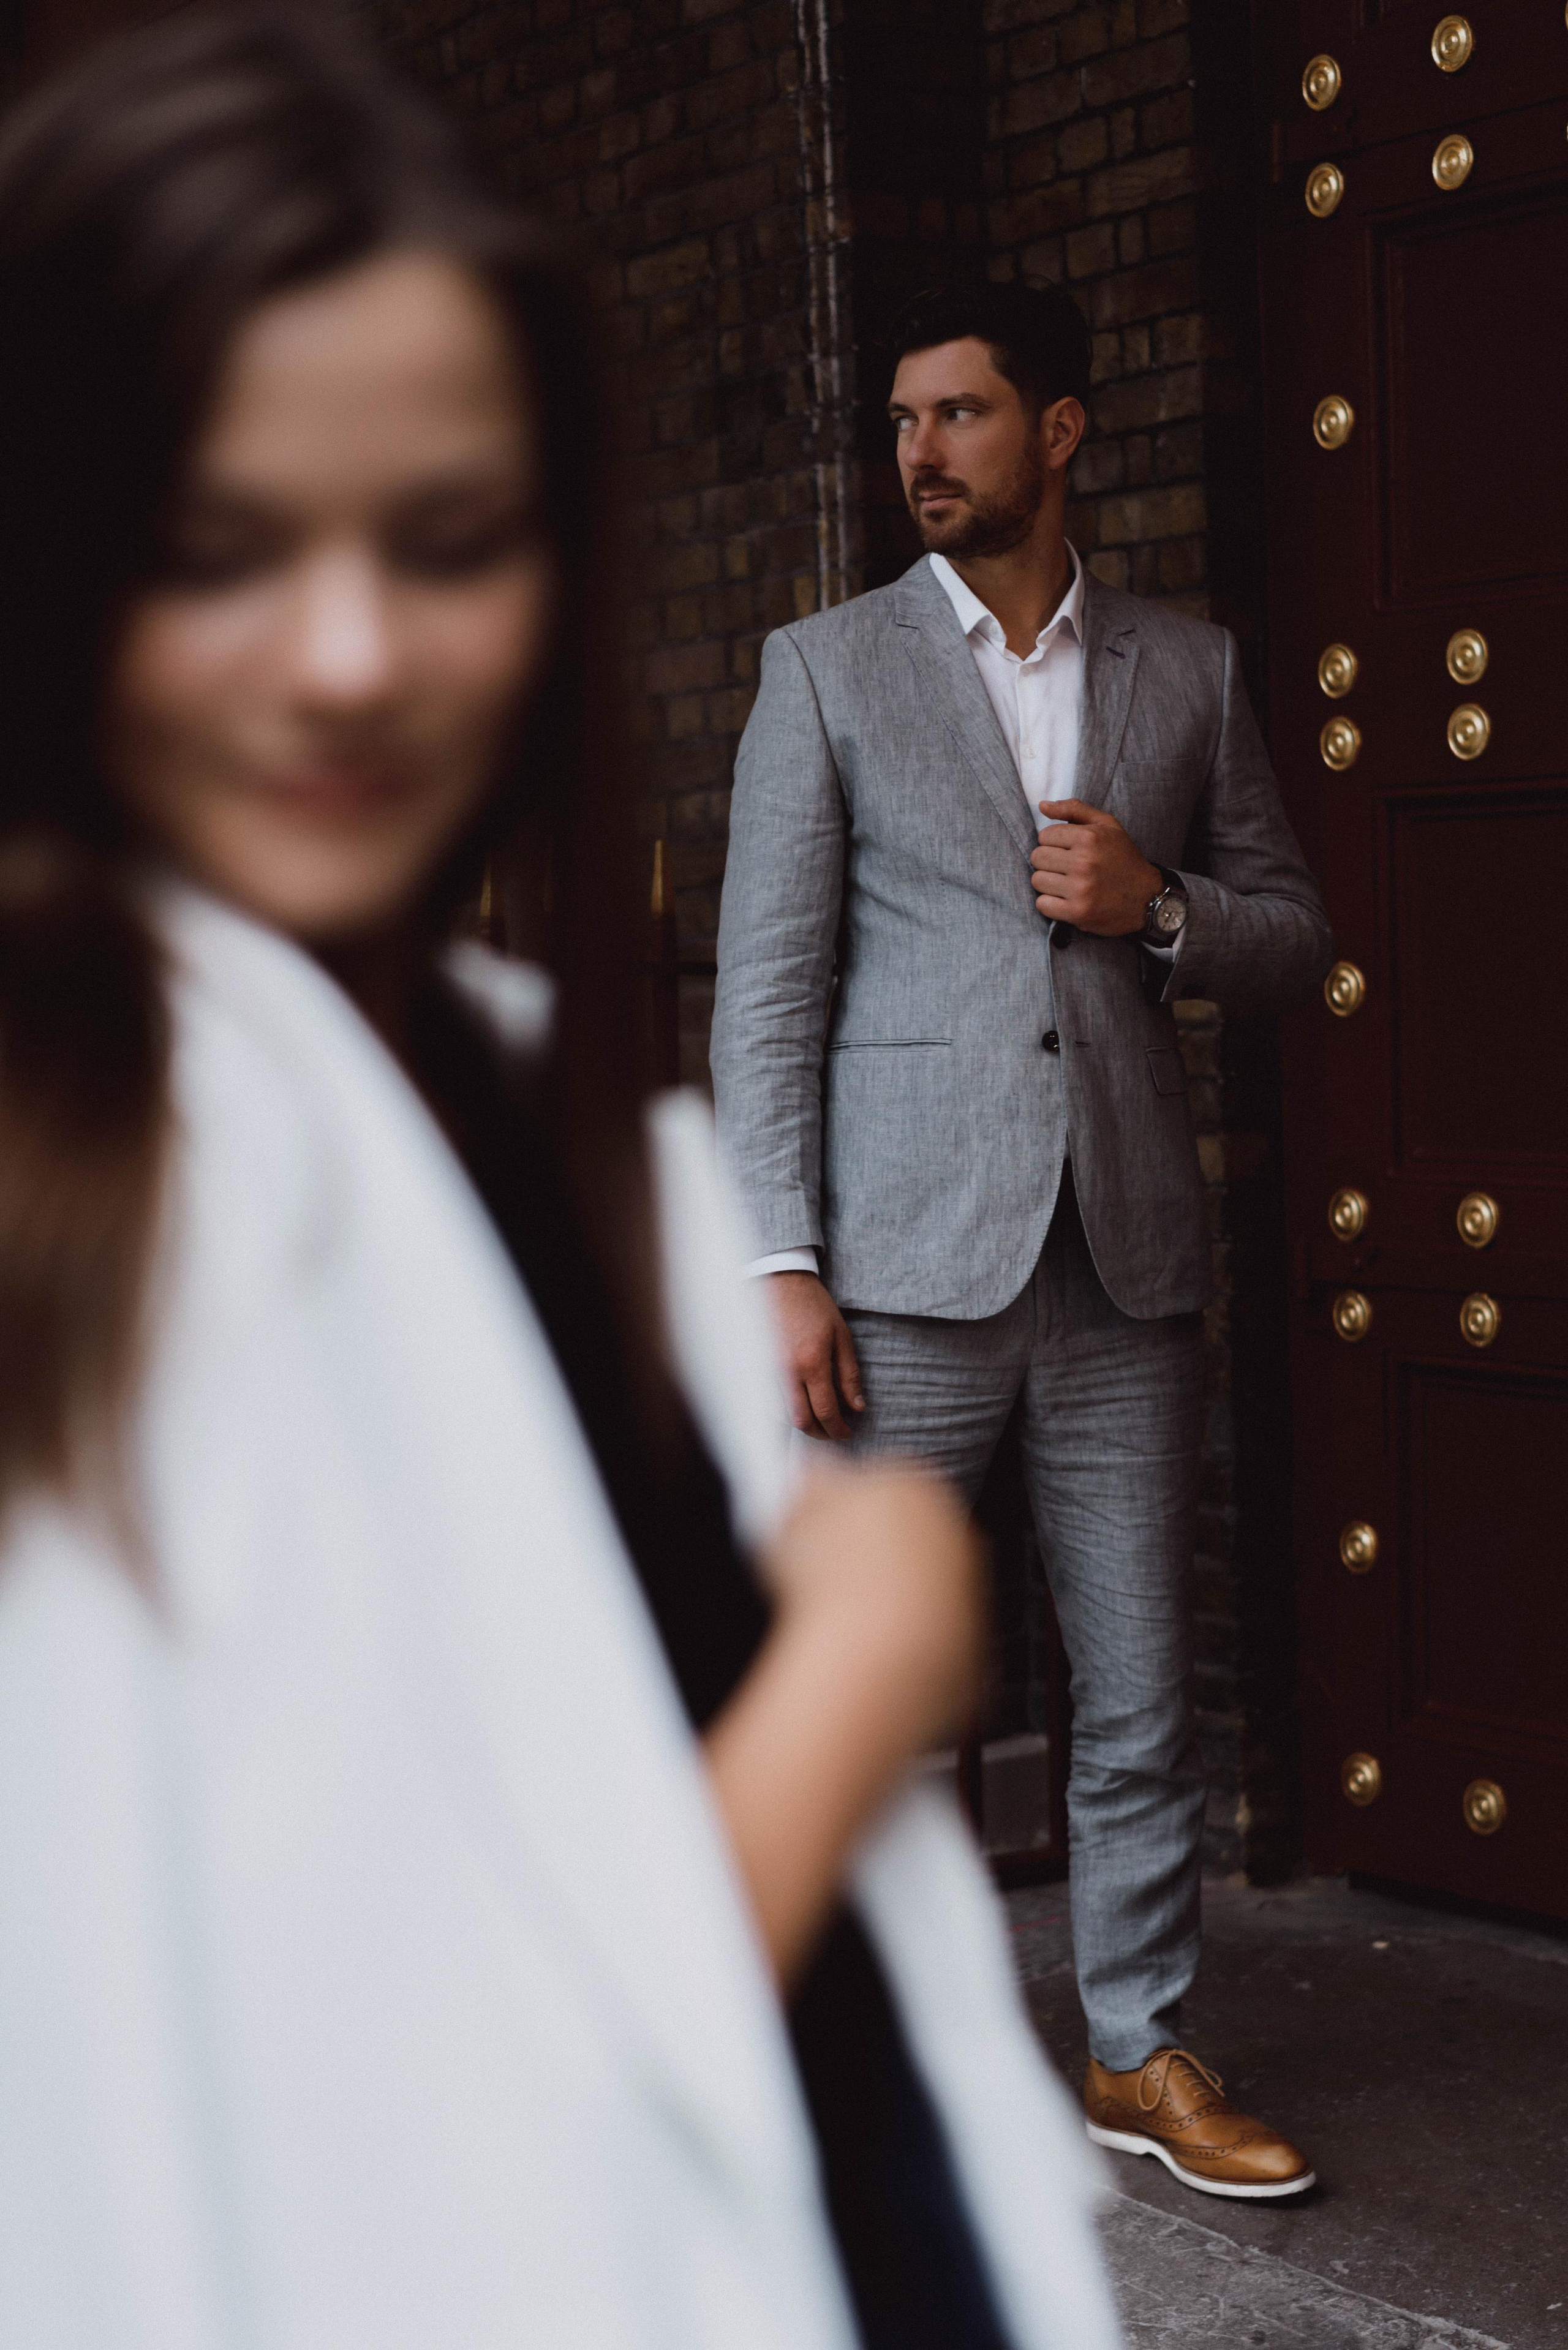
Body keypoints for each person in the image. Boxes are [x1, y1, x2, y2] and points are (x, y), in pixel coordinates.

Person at [0, 21, 1124, 2348]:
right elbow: (373, 2145)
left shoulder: (475, 1072)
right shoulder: (119, 1150)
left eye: (450, 541)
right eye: (219, 546)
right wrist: (864, 1657)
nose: (348, 656)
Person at [712, 279, 1335, 2201]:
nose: (920, 454)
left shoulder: (1192, 671)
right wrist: (779, 1261)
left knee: (1142, 1687)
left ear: (1058, 431)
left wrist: (1158, 911)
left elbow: (1298, 941)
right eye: (903, 421)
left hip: (1123, 1260)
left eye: (961, 416)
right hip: (901, 1270)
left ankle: (1135, 2046)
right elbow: (768, 991)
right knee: (854, 1681)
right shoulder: (823, 667)